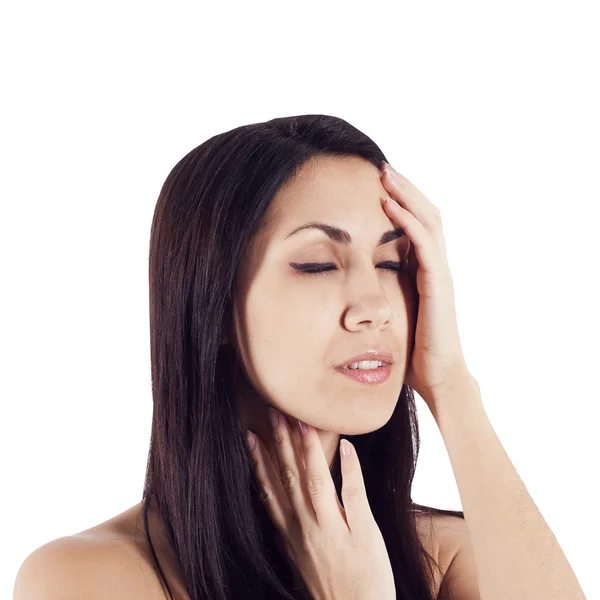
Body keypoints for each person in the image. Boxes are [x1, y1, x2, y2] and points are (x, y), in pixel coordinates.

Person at [13, 115, 468, 600]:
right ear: (215, 301)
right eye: (317, 264)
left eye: (391, 262)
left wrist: (451, 383)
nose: (375, 307)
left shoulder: (446, 556)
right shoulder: (87, 578)